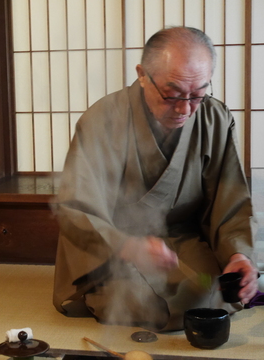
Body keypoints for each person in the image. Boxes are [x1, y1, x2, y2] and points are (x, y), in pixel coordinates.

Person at [52, 26, 259, 331]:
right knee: (141, 301)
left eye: (197, 96)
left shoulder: (215, 118)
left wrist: (239, 254)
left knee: (213, 288)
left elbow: (230, 202)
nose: (184, 109)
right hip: (114, 243)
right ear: (142, 74)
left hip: (182, 240)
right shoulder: (102, 119)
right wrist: (128, 246)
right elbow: (76, 207)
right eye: (172, 94)